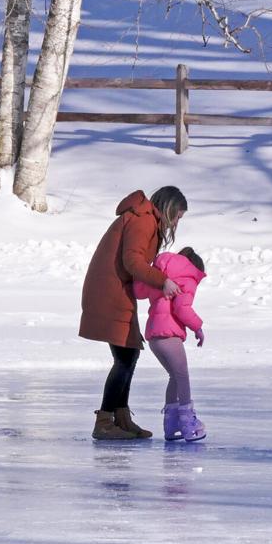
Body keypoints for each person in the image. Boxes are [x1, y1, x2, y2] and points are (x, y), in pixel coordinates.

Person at [81, 186, 186, 439]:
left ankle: (121, 416)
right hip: (110, 289)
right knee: (125, 358)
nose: (176, 223)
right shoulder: (144, 220)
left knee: (129, 355)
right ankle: (104, 421)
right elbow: (133, 261)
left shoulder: (144, 217)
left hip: (114, 288)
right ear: (169, 208)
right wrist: (163, 281)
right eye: (177, 216)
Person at [132, 246, 208, 442]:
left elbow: (138, 290)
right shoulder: (188, 277)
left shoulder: (159, 272)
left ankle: (171, 425)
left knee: (174, 376)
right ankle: (188, 424)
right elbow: (182, 308)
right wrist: (198, 327)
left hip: (154, 337)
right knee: (182, 376)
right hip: (170, 334)